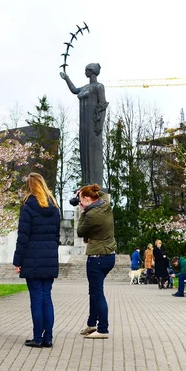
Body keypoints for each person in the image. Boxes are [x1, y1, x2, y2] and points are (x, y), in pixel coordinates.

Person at [13, 173, 60, 348]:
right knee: (46, 297)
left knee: (36, 297)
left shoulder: (27, 207)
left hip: (32, 259)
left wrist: (17, 261)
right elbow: (56, 236)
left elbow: (23, 237)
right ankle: (48, 337)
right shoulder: (54, 206)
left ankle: (37, 337)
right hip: (49, 258)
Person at [76, 183, 116, 339]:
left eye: (81, 198)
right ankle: (92, 323)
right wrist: (85, 193)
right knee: (94, 291)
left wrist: (83, 211)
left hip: (97, 257)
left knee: (97, 293)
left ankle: (103, 329)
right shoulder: (105, 204)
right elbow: (101, 194)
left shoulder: (92, 214)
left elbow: (80, 232)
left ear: (86, 198)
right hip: (109, 256)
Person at [60, 63, 109, 187]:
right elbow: (74, 90)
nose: (85, 72)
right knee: (85, 150)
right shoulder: (86, 87)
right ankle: (86, 182)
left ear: (92, 71)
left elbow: (103, 105)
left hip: (94, 124)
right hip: (84, 125)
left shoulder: (99, 86)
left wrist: (100, 124)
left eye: (86, 70)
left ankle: (95, 183)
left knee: (93, 151)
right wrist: (66, 78)